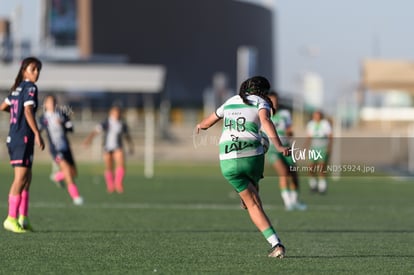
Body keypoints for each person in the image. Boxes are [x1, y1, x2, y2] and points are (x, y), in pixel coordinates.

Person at [196, 76, 289, 258]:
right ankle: (275, 242)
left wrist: (200, 125)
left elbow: (207, 122)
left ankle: (275, 243)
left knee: (252, 203)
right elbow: (267, 123)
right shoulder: (262, 102)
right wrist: (278, 145)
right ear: (263, 91)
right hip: (252, 155)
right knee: (254, 197)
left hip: (227, 157)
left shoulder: (230, 101)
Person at [0, 56, 45, 233]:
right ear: (24, 70)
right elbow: (27, 110)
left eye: (38, 70)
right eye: (33, 69)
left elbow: (3, 106)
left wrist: (15, 114)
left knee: (27, 178)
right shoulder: (31, 88)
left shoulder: (17, 89)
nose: (36, 73)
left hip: (16, 137)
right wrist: (36, 133)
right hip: (22, 138)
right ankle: (11, 218)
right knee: (20, 178)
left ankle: (23, 218)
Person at [38, 94, 84, 205]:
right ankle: (76, 197)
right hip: (55, 149)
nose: (52, 104)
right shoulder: (43, 118)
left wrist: (62, 123)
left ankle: (57, 176)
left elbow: (71, 128)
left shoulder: (62, 114)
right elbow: (37, 131)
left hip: (66, 147)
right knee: (67, 171)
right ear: (45, 104)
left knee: (74, 173)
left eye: (53, 102)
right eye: (49, 102)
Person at [267, 91, 307, 211]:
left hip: (286, 148)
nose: (275, 103)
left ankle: (295, 201)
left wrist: (289, 132)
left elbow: (290, 130)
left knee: (293, 173)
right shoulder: (264, 114)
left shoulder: (285, 114)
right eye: (272, 101)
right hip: (272, 149)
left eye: (276, 100)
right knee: (283, 172)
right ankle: (287, 202)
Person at [83, 105, 134, 193]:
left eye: (118, 112)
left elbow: (127, 136)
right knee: (109, 167)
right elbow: (95, 131)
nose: (116, 114)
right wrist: (88, 140)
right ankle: (110, 185)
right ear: (111, 113)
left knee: (121, 165)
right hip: (107, 147)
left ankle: (118, 183)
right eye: (115, 112)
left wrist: (130, 145)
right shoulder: (106, 123)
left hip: (118, 146)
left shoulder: (122, 124)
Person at [305, 110, 333, 194]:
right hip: (314, 148)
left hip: (323, 147)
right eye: (315, 115)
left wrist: (329, 147)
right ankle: (313, 185)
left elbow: (330, 135)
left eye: (318, 115)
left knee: (321, 167)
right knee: (311, 168)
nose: (316, 117)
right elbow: (309, 137)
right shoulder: (311, 124)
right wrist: (305, 147)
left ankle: (322, 187)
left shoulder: (325, 124)